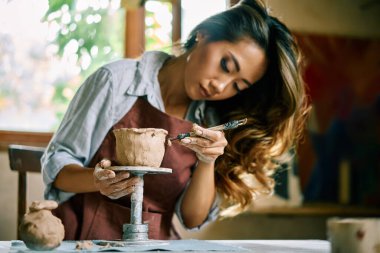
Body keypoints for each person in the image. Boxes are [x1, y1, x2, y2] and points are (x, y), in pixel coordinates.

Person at [41, 0, 310, 240]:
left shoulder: (210, 120)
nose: (221, 86)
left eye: (237, 86)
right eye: (226, 66)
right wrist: (98, 181)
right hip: (80, 239)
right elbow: (59, 169)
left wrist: (208, 161)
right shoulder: (116, 82)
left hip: (154, 244)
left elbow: (191, 219)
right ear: (204, 34)